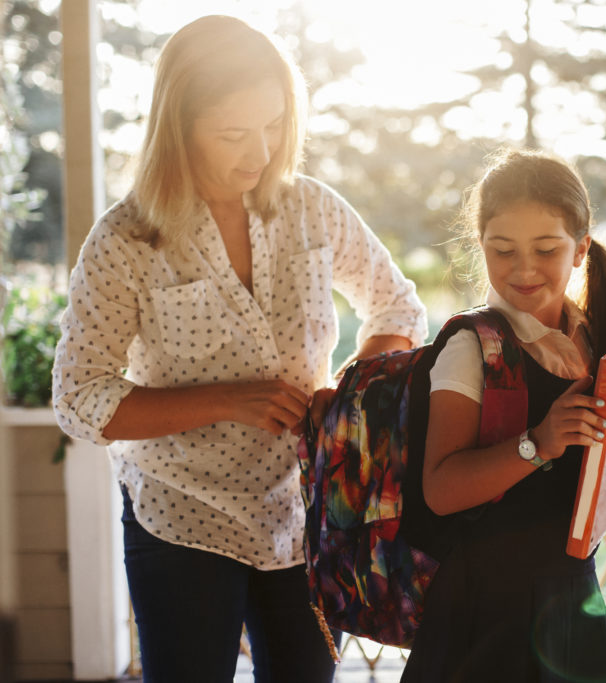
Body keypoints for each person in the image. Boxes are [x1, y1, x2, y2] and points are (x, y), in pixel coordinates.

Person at [51, 15, 427, 683]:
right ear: (178, 129)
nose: (259, 151)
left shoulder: (314, 209)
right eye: (232, 133)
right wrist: (226, 400)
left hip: (306, 511)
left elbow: (398, 308)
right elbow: (81, 399)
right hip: (181, 515)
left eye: (274, 124)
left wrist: (342, 395)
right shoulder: (124, 242)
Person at [401, 148, 606, 683]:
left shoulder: (595, 337)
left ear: (580, 250)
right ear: (482, 247)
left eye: (546, 249)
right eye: (503, 250)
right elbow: (441, 488)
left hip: (571, 594)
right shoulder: (472, 347)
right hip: (485, 613)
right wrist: (539, 442)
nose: (523, 269)